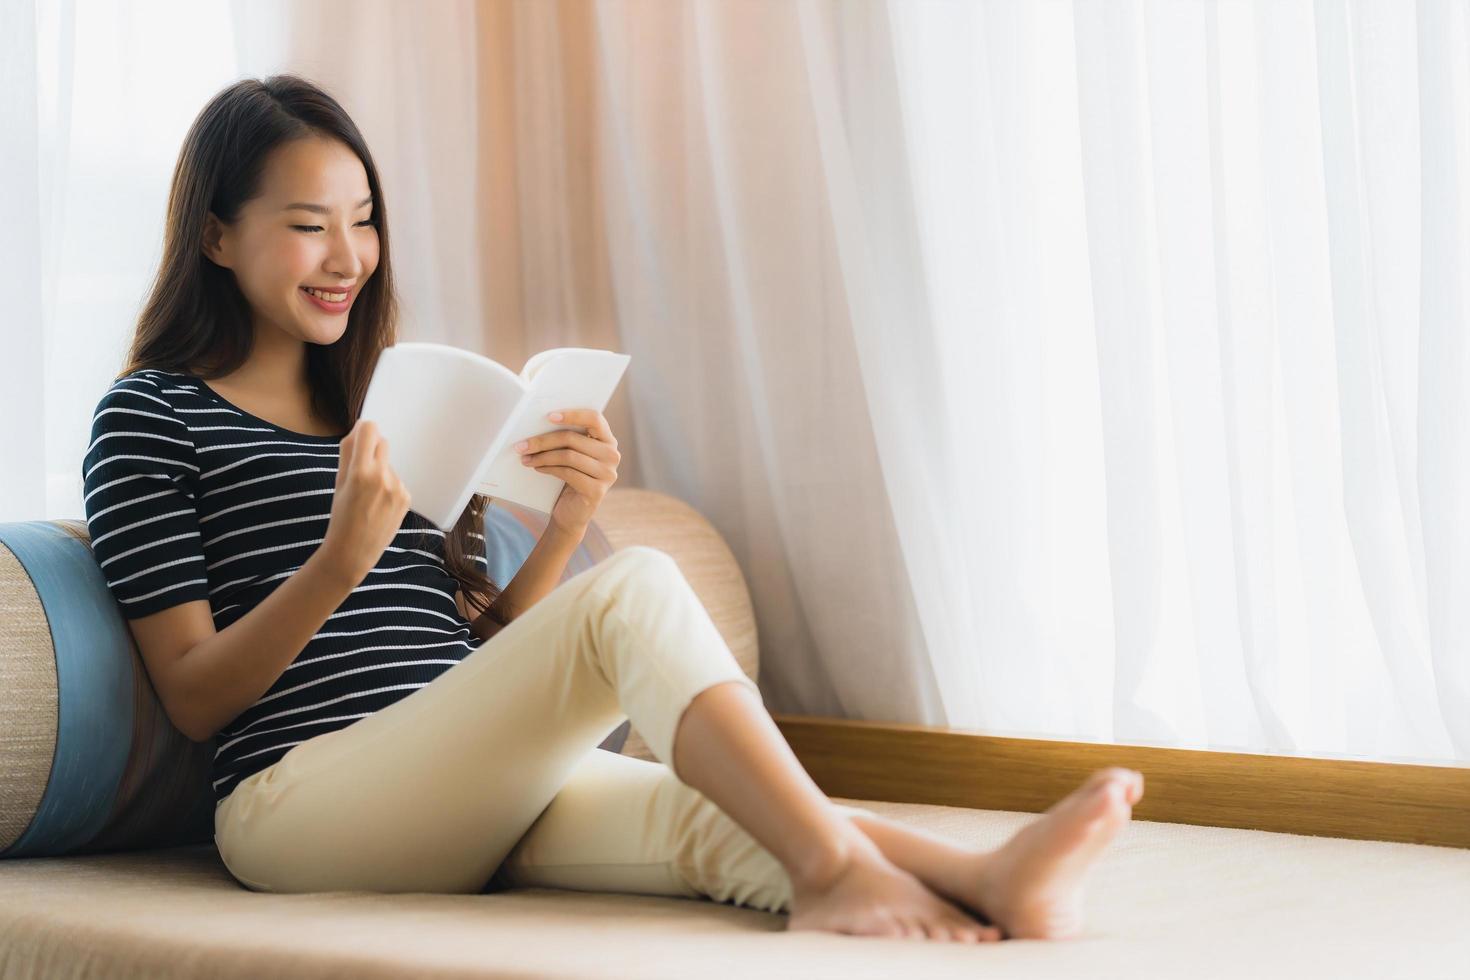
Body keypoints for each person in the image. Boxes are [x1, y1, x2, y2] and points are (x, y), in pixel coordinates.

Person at [80, 73, 1144, 944]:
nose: (348, 256)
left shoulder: (381, 403)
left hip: (447, 770)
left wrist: (560, 519)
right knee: (635, 588)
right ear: (217, 236)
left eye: (363, 223)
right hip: (297, 803)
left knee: (708, 818)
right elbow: (193, 697)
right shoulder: (150, 417)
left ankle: (983, 877)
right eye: (309, 225)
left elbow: (476, 640)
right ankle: (831, 873)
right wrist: (334, 563)